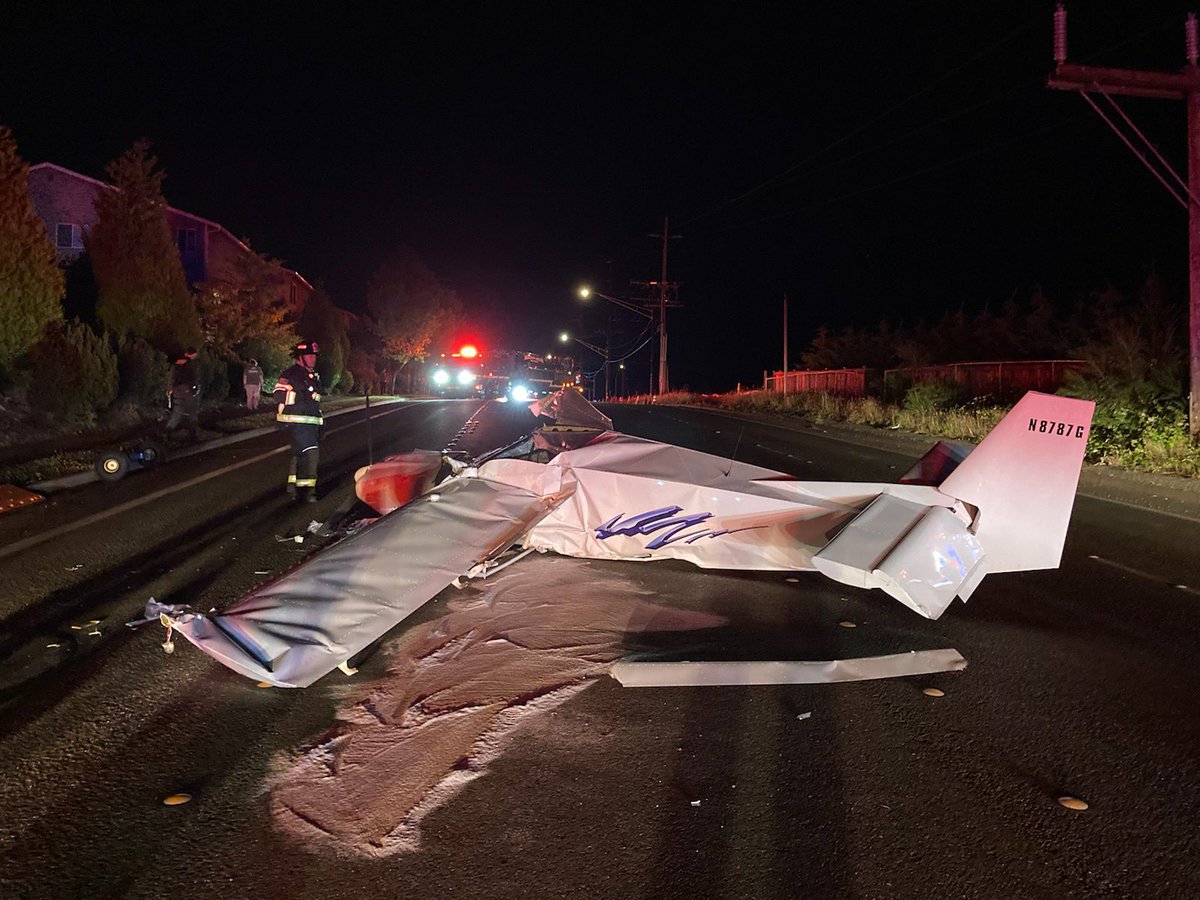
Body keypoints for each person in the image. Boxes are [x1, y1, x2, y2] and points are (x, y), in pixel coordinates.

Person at [272, 340, 324, 502]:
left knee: (299, 455)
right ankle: (308, 491)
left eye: (314, 356)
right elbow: (278, 394)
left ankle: (294, 489)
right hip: (298, 423)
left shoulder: (311, 376)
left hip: (310, 424)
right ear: (300, 357)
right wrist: (299, 396)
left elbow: (315, 402)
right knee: (310, 454)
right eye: (310, 355)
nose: (313, 359)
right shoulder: (290, 374)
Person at [165, 348, 200, 440]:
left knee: (178, 411)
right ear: (191, 354)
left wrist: (170, 388)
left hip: (177, 389)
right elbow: (191, 377)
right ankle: (193, 433)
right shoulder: (187, 363)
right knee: (192, 409)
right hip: (185, 389)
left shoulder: (177, 362)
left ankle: (168, 431)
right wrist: (192, 388)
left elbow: (171, 376)